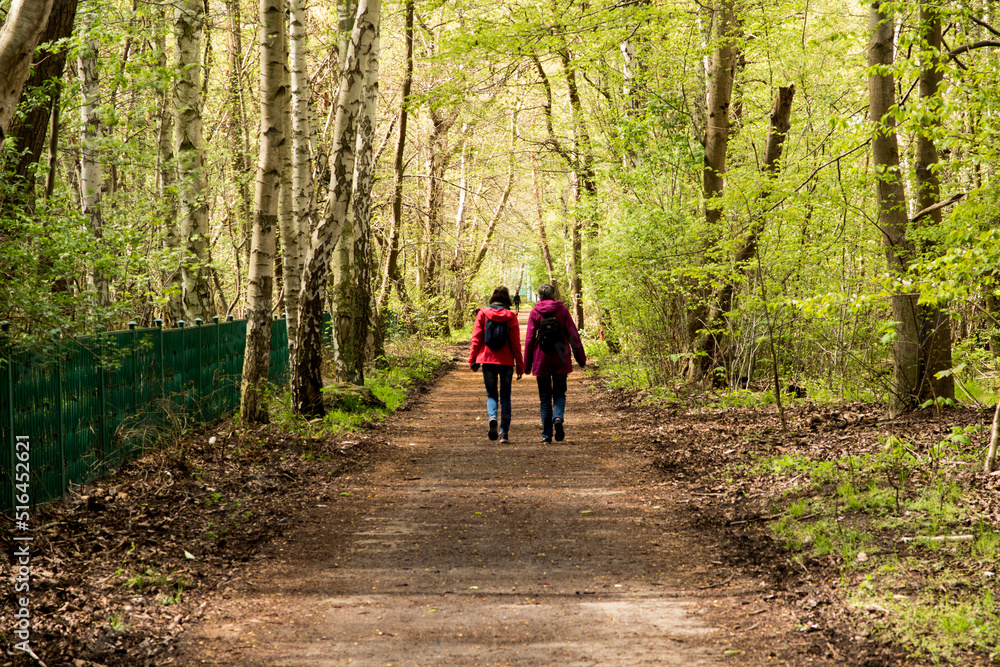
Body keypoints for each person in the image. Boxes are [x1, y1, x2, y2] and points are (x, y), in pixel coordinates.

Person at [524, 283, 586, 443]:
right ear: (554, 295)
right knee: (559, 393)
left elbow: (530, 339)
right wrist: (580, 358)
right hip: (561, 356)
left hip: (541, 358)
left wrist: (527, 364)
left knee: (545, 398)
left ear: (539, 296)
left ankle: (547, 435)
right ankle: (558, 417)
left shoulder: (535, 312)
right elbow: (573, 334)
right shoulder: (562, 310)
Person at [469, 286, 524, 444]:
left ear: (493, 297)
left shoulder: (482, 313)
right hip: (506, 362)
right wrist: (520, 365)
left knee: (491, 395)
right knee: (505, 397)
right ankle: (504, 433)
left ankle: (492, 417)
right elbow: (515, 343)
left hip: (487, 360)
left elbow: (476, 338)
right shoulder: (511, 316)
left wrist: (472, 359)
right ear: (508, 299)